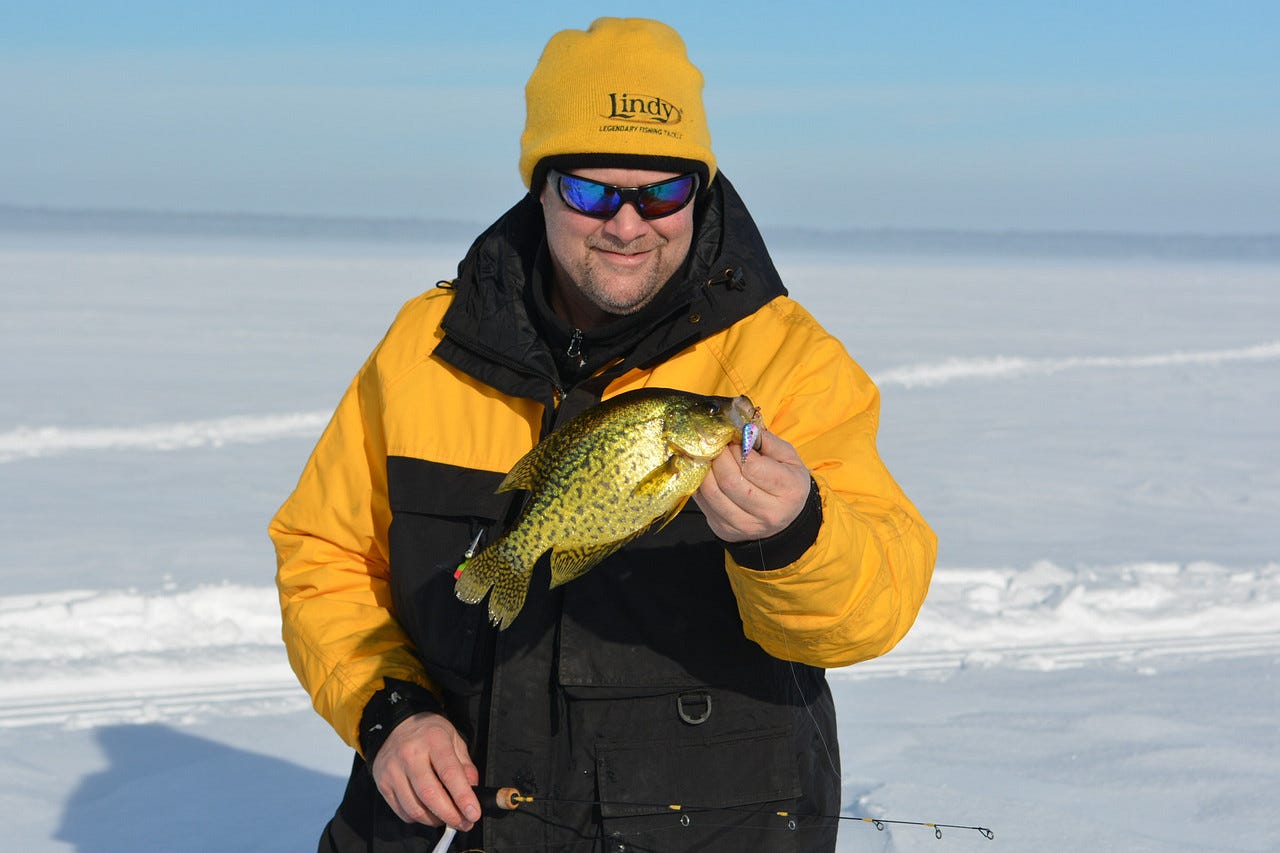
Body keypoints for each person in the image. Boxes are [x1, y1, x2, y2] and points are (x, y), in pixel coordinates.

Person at [270, 17, 936, 853]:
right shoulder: (424, 350)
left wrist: (791, 535)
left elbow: (877, 604)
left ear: (700, 189)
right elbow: (322, 556)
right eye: (591, 191)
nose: (628, 225)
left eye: (661, 192)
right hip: (457, 824)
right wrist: (388, 710)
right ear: (541, 187)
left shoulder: (785, 360)